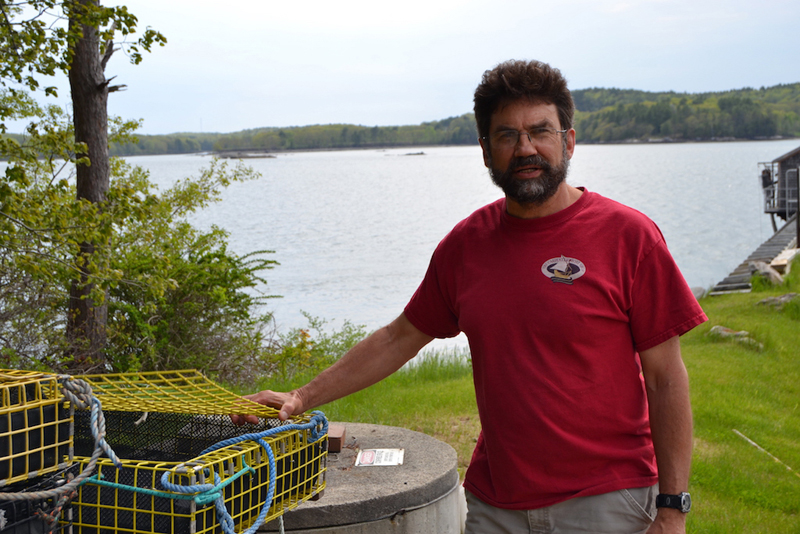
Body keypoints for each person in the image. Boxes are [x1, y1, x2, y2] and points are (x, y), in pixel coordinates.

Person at [233, 59, 707, 534]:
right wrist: (300, 397)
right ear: (485, 151)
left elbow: (666, 378)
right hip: (495, 505)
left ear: (568, 140)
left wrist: (672, 509)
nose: (526, 149)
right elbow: (399, 337)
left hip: (607, 501)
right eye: (507, 136)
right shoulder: (466, 245)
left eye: (540, 131)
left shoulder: (629, 237)